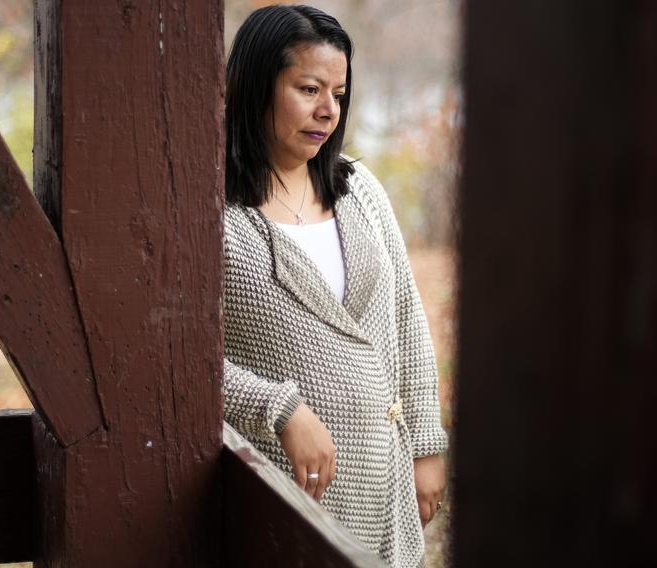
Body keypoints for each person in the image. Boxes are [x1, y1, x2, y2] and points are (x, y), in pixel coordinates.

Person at [222, 5, 448, 567]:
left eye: (339, 93)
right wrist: (279, 407)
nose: (328, 110)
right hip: (283, 492)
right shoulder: (214, 215)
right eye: (309, 88)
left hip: (386, 485)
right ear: (255, 86)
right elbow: (175, 361)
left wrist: (425, 445)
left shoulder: (359, 190)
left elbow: (406, 319)